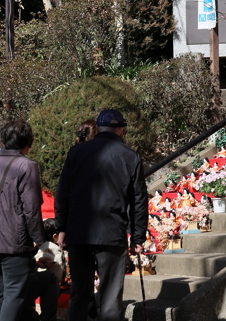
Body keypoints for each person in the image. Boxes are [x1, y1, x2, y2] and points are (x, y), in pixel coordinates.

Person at [56, 109, 148, 321]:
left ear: (97, 129)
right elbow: (139, 200)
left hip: (79, 231)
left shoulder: (76, 153)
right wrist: (138, 236)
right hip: (112, 232)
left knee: (79, 292)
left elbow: (63, 193)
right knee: (110, 297)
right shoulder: (130, 156)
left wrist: (62, 227)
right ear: (121, 130)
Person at [0, 120, 45, 321]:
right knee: (14, 292)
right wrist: (38, 237)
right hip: (14, 238)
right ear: (28, 142)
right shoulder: (27, 165)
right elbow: (30, 207)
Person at [24, 220, 64, 321]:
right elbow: (43, 253)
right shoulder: (49, 246)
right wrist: (48, 259)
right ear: (55, 236)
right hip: (49, 280)